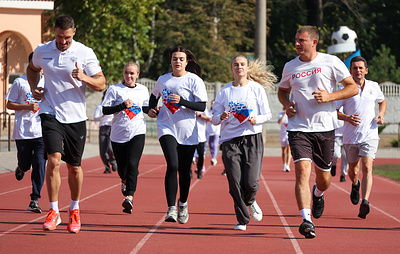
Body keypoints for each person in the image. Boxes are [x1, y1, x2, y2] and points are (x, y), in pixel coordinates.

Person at [27, 15, 106, 233]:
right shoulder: (42, 50)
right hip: (50, 112)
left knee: (74, 167)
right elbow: (32, 68)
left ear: (74, 32)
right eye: (60, 37)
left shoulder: (85, 52)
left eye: (67, 38)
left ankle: (74, 209)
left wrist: (84, 77)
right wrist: (35, 88)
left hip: (76, 116)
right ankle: (53, 211)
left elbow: (101, 83)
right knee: (53, 160)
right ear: (54, 32)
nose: (63, 42)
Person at [277, 25, 358, 238]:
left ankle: (318, 194)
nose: (296, 44)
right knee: (302, 173)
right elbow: (283, 91)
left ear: (314, 42)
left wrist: (330, 97)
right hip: (299, 128)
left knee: (324, 179)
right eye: (295, 40)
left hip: (325, 128)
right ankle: (306, 220)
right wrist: (286, 105)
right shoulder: (290, 66)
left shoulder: (330, 62)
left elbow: (352, 88)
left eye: (300, 40)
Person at [212, 56, 277, 231]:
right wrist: (221, 117)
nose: (239, 67)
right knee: (234, 181)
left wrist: (258, 119)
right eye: (236, 65)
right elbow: (214, 118)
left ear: (247, 68)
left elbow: (268, 114)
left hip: (252, 137)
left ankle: (251, 200)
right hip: (230, 140)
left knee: (251, 182)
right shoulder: (224, 92)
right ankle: (242, 219)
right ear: (231, 68)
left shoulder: (256, 89)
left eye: (242, 64)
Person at [148, 46, 207, 224]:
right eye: (175, 58)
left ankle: (182, 203)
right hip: (166, 126)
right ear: (170, 61)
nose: (178, 62)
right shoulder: (163, 80)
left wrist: (182, 101)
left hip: (188, 131)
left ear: (187, 61)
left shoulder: (194, 80)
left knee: (184, 171)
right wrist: (151, 110)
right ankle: (171, 208)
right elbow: (153, 98)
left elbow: (202, 106)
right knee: (172, 165)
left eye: (181, 59)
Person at [336, 56, 386, 219]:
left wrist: (381, 113)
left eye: (360, 68)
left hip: (370, 134)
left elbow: (382, 101)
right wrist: (348, 118)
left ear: (366, 70)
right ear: (350, 71)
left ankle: (365, 201)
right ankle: (355, 184)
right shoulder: (345, 88)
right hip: (350, 137)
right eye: (354, 68)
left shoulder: (374, 86)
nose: (358, 70)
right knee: (353, 170)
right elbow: (334, 111)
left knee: (368, 167)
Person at [101, 61, 149, 214]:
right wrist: (122, 105)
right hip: (119, 134)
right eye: (126, 73)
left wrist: (155, 111)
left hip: (137, 131)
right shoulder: (114, 90)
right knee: (123, 168)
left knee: (133, 164)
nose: (129, 76)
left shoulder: (143, 90)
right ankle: (123, 179)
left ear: (137, 75)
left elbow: (146, 108)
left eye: (132, 73)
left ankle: (129, 197)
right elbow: (105, 109)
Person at [5, 52, 46, 213]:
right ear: (31, 64)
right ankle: (21, 167)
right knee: (26, 163)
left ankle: (34, 199)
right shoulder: (20, 82)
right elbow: (9, 105)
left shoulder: (47, 82)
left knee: (40, 164)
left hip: (41, 132)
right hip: (23, 131)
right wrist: (27, 107)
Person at [94, 91, 117, 174]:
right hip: (103, 128)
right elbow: (95, 118)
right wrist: (102, 116)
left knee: (110, 148)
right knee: (103, 150)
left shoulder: (114, 106)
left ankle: (113, 162)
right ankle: (107, 167)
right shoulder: (100, 107)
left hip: (111, 128)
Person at [192, 108, 211, 179]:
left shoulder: (203, 107)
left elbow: (209, 119)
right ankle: (189, 171)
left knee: (201, 155)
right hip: (190, 137)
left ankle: (199, 170)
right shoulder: (188, 105)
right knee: (189, 155)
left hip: (201, 137)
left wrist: (199, 115)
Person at [331, 110, 348, 182]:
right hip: (336, 135)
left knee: (345, 156)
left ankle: (343, 175)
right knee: (336, 155)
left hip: (346, 135)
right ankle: (333, 165)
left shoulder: (347, 105)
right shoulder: (334, 105)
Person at [206, 100, 221, 167]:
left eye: (214, 104)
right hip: (209, 131)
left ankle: (214, 158)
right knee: (211, 145)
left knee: (215, 145)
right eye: (212, 104)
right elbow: (207, 118)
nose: (213, 105)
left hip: (216, 131)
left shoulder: (218, 112)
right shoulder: (208, 112)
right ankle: (213, 156)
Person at [278, 107, 291, 172]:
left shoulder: (291, 115)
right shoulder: (281, 114)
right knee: (284, 151)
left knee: (289, 151)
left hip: (289, 135)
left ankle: (288, 165)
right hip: (283, 135)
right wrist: (284, 114)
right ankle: (284, 164)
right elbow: (279, 122)